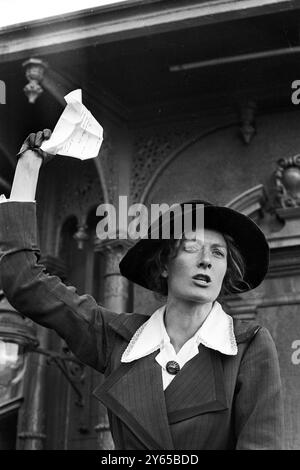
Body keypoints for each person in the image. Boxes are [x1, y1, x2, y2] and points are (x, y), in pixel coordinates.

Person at [0, 130, 284, 450]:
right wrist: (27, 167)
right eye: (191, 248)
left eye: (218, 253)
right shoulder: (118, 338)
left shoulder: (249, 346)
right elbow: (23, 280)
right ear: (164, 265)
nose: (206, 261)